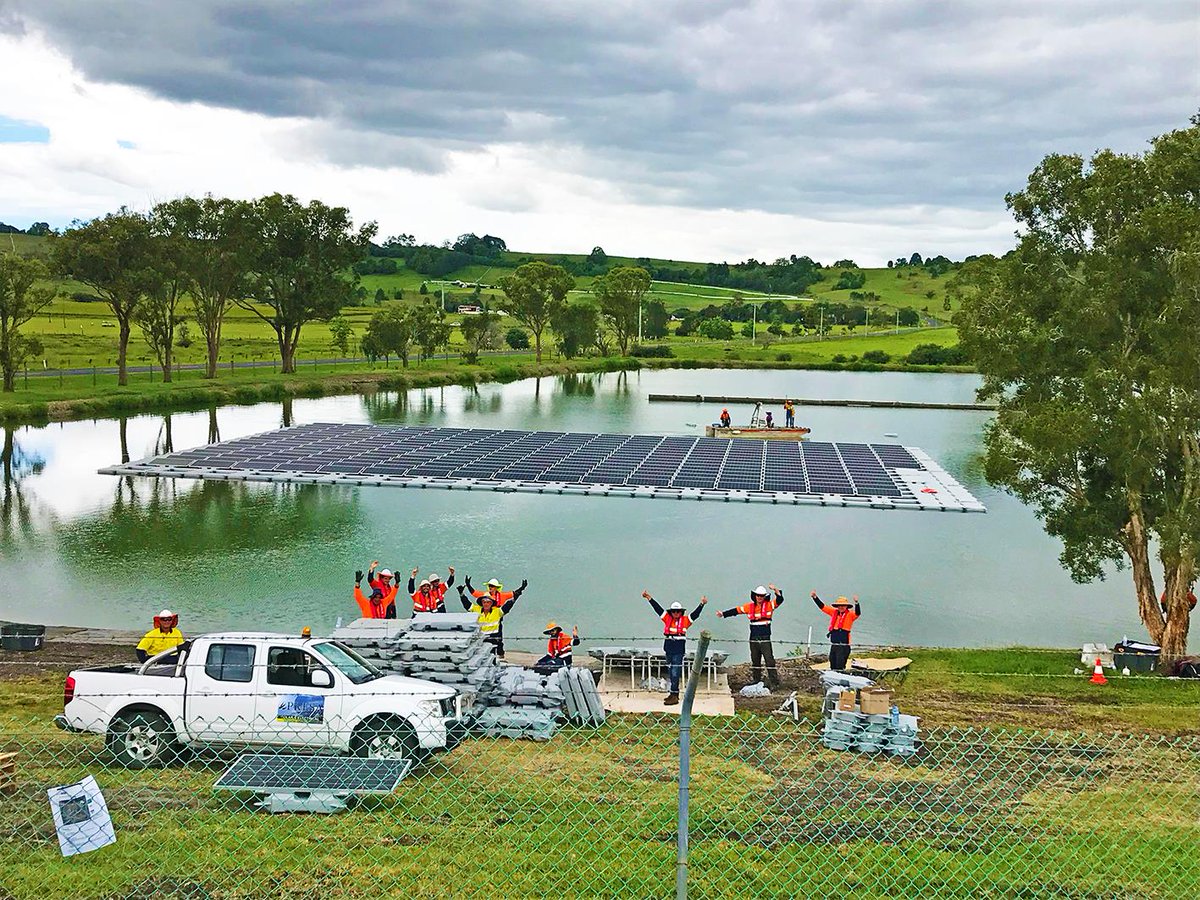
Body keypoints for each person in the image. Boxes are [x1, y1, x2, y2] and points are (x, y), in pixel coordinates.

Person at [643, 590, 707, 705]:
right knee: (670, 670)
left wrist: (702, 604)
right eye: (674, 611)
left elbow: (695, 614)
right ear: (671, 612)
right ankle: (672, 694)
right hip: (668, 648)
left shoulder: (686, 621)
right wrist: (649, 598)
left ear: (681, 612)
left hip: (678, 649)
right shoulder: (667, 618)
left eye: (678, 611)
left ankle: (675, 695)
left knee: (675, 672)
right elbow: (658, 609)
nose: (676, 613)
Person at [717, 584, 784, 689]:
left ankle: (774, 682)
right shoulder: (750, 607)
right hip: (753, 638)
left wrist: (775, 589)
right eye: (758, 595)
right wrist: (723, 614)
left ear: (765, 597)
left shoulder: (770, 605)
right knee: (755, 659)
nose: (759, 598)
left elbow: (780, 599)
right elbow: (736, 611)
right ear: (755, 596)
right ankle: (756, 679)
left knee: (769, 660)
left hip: (765, 638)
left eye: (762, 596)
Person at [458, 577, 527, 658]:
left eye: (488, 602)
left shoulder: (501, 599)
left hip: (496, 626)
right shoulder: (481, 601)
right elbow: (470, 600)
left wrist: (521, 589)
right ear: (481, 602)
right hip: (481, 637)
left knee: (498, 642)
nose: (486, 604)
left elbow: (510, 602)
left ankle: (500, 654)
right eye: (484, 602)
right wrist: (463, 592)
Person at [812, 591, 860, 671]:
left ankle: (840, 676)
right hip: (834, 644)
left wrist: (856, 603)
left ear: (846, 606)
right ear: (837, 606)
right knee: (832, 661)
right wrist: (815, 597)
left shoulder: (850, 615)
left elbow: (858, 613)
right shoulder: (833, 612)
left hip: (844, 644)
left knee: (840, 664)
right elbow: (822, 607)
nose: (841, 607)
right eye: (839, 605)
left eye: (843, 606)